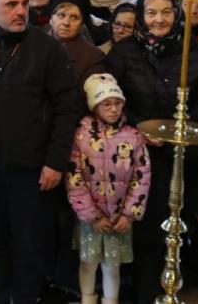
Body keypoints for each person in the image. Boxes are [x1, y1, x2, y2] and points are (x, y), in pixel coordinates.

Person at [0, 0, 79, 304]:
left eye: (24, 4)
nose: (21, 11)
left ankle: (26, 297)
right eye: (11, 4)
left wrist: (55, 161)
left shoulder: (48, 48)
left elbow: (67, 107)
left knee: (29, 241)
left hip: (32, 166)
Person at [105, 0, 198, 304]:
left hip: (180, 154)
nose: (159, 19)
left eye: (166, 12)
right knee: (138, 228)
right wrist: (139, 124)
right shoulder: (124, 52)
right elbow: (111, 96)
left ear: (177, 14)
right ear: (141, 16)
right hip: (135, 154)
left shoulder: (194, 52)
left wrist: (183, 125)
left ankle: (164, 289)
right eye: (151, 12)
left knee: (172, 227)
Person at [67, 73, 150, 304]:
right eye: (106, 104)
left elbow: (142, 178)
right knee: (88, 263)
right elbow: (74, 178)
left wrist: (129, 214)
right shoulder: (81, 137)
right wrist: (91, 216)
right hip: (91, 219)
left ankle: (110, 300)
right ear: (94, 106)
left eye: (117, 103)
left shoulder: (134, 137)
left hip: (119, 219)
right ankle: (87, 299)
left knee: (112, 266)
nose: (113, 109)